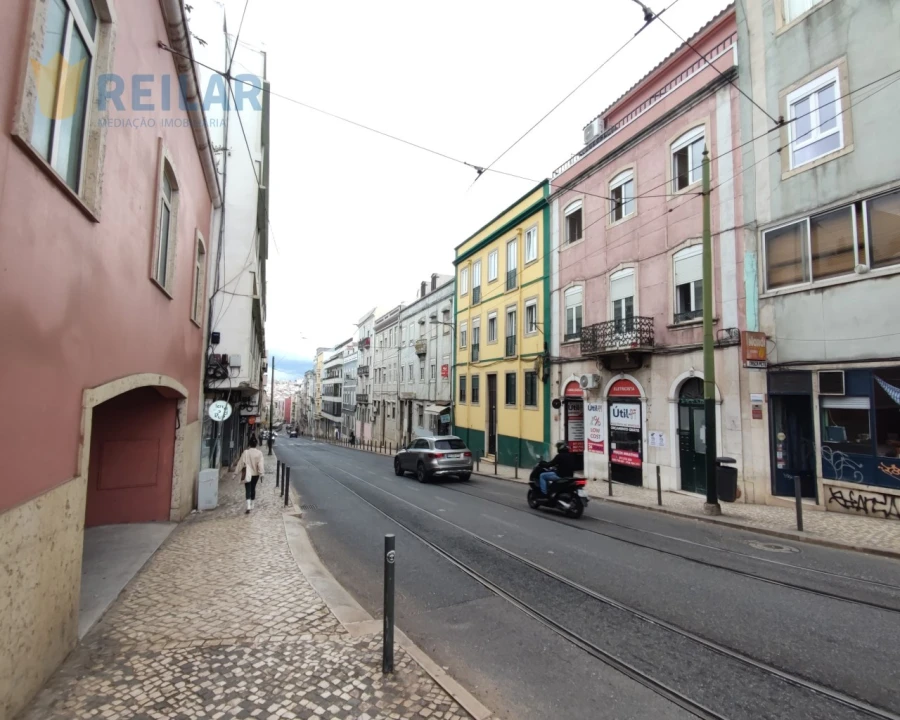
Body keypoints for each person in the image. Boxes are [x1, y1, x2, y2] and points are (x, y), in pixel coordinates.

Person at [235, 436, 266, 513]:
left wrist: (235, 473)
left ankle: (248, 505)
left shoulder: (246, 452)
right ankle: (252, 504)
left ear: (249, 444)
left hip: (247, 474)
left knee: (248, 488)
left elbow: (240, 463)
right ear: (256, 444)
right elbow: (260, 464)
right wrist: (261, 473)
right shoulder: (259, 453)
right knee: (253, 488)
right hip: (256, 474)